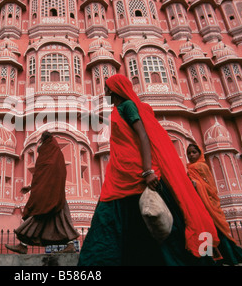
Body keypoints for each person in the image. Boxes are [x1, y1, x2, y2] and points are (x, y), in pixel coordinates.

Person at [78, 74, 219, 266]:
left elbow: (143, 136)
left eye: (106, 88)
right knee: (117, 219)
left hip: (137, 174)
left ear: (114, 90)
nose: (104, 92)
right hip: (120, 174)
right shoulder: (117, 110)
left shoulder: (127, 106)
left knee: (152, 218)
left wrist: (147, 171)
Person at [5, 131, 79, 254]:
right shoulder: (56, 155)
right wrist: (31, 187)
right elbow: (44, 176)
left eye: (42, 142)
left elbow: (43, 175)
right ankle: (69, 245)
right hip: (56, 194)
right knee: (60, 220)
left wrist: (34, 188)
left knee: (36, 217)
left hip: (48, 195)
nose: (40, 146)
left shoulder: (48, 156)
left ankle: (23, 245)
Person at [186, 143, 242, 265]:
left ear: (200, 154)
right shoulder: (189, 168)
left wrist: (196, 184)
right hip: (198, 205)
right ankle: (209, 259)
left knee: (214, 231)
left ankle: (226, 257)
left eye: (194, 152)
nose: (191, 155)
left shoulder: (201, 167)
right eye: (189, 153)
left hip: (208, 204)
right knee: (203, 231)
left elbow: (210, 188)